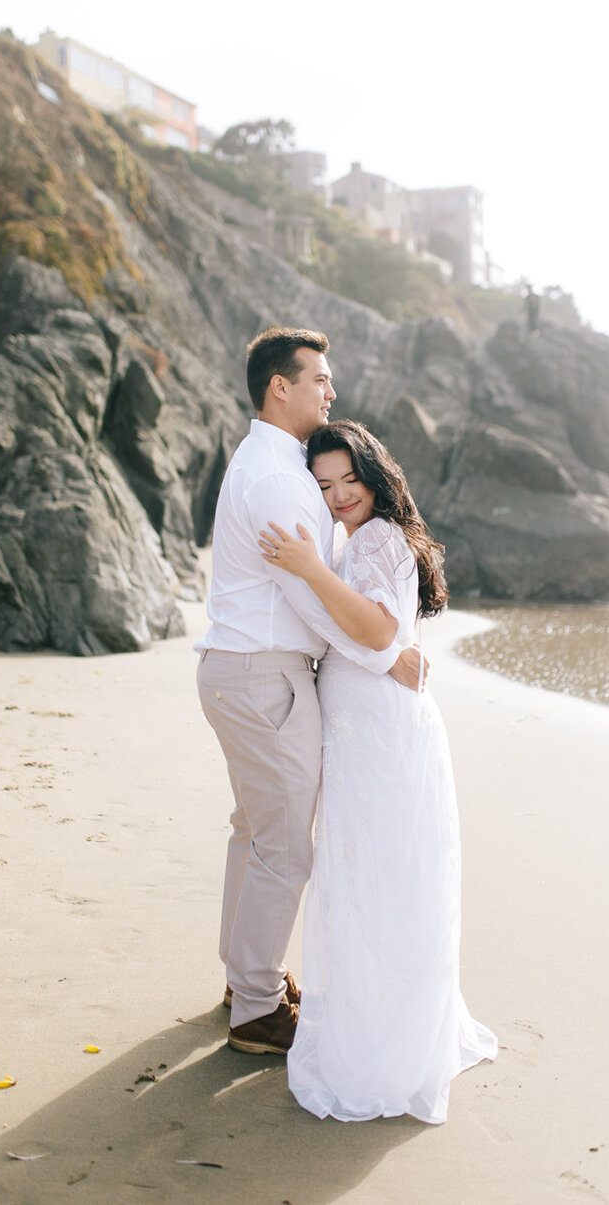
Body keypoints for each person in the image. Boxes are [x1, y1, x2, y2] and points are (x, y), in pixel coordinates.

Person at [195, 327, 426, 1056]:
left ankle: (246, 978)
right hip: (266, 675)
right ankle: (258, 1010)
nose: (332, 391)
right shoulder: (277, 479)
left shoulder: (278, 464)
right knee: (287, 847)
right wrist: (388, 653)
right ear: (280, 387)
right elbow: (310, 599)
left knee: (258, 831)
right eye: (320, 379)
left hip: (245, 671)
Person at [259, 419, 496, 1123]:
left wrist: (312, 573)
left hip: (384, 733)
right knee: (368, 876)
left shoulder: (381, 538)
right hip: (367, 726)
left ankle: (388, 1042)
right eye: (325, 486)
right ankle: (378, 1021)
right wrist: (384, 647)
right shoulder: (352, 540)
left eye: (348, 481)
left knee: (384, 877)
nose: (337, 497)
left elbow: (374, 629)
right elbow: (372, 635)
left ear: (374, 474)